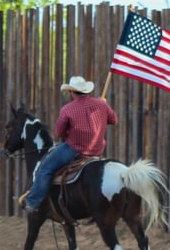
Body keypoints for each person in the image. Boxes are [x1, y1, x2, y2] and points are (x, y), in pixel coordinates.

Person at [19, 75, 118, 214]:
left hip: (74, 150)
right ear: (86, 90)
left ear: (72, 92)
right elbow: (114, 120)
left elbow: (59, 133)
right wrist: (104, 105)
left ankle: (33, 202)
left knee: (46, 168)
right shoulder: (101, 105)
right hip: (97, 150)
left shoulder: (67, 109)